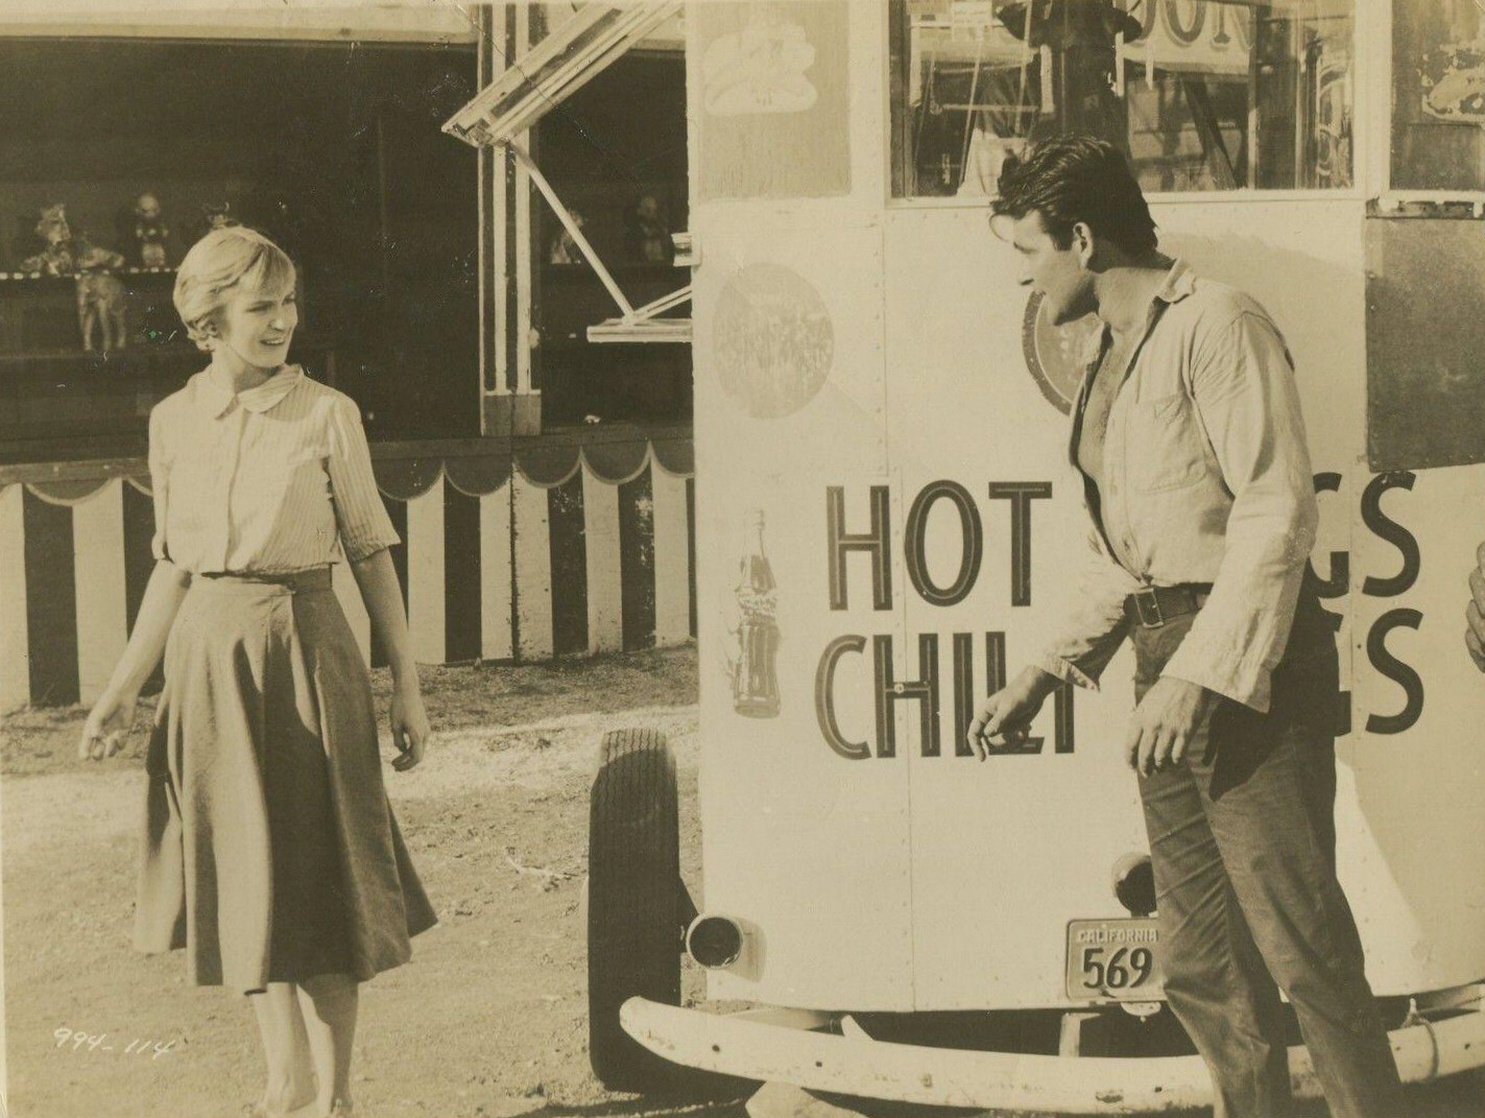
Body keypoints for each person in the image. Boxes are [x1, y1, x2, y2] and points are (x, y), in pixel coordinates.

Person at [968, 136, 1400, 1118]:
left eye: (1030, 251)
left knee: (1302, 946)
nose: (1026, 277)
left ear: (1083, 240)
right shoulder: (1108, 359)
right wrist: (1042, 670)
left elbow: (1275, 511)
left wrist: (1194, 678)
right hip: (1165, 660)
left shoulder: (1219, 323)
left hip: (1248, 667)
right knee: (1203, 963)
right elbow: (1125, 552)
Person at [78, 225, 436, 1118]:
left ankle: (337, 1098)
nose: (283, 322)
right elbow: (172, 568)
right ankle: (284, 1084)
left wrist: (406, 686)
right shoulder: (172, 421)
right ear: (207, 320)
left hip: (305, 655)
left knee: (317, 879)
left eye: (289, 303)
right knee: (244, 875)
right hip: (207, 663)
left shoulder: (327, 414)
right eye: (260, 306)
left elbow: (371, 553)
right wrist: (121, 692)